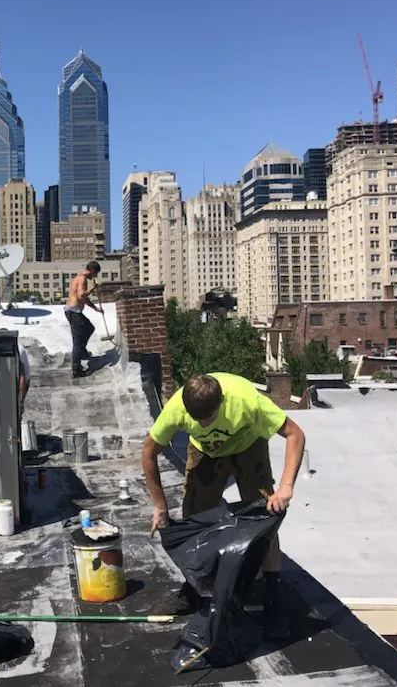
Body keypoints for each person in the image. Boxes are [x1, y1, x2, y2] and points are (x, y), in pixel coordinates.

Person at [140, 372, 306, 639]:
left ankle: (272, 594)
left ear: (221, 403)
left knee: (266, 515)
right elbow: (148, 452)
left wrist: (287, 486)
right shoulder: (176, 409)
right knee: (194, 518)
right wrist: (159, 505)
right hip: (206, 453)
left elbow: (295, 434)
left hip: (248, 445)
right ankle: (194, 589)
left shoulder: (246, 400)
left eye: (208, 419)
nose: (203, 425)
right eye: (197, 421)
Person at [64, 261, 102, 378]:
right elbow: (81, 295)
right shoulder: (82, 279)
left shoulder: (79, 278)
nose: (94, 277)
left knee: (89, 328)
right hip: (74, 312)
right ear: (92, 271)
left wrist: (96, 308)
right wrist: (92, 289)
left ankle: (82, 352)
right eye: (95, 274)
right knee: (78, 341)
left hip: (73, 311)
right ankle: (76, 369)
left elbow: (83, 300)